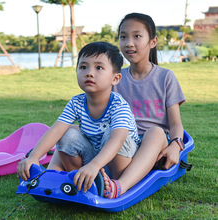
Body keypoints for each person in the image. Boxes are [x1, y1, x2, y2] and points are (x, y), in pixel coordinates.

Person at [17, 41, 142, 194]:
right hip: (91, 164)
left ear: (115, 79)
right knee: (66, 134)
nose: (89, 72)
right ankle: (81, 180)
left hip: (118, 162)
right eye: (83, 67)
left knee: (112, 133)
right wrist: (34, 157)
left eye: (99, 67)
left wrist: (95, 165)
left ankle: (113, 182)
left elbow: (118, 140)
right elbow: (56, 130)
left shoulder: (119, 106)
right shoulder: (76, 102)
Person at [100, 13, 186, 199]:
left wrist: (176, 145)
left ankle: (120, 187)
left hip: (154, 149)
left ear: (152, 41)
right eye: (123, 37)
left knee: (155, 132)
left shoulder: (165, 77)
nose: (129, 43)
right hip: (124, 145)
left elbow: (175, 124)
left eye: (137, 36)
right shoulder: (115, 79)